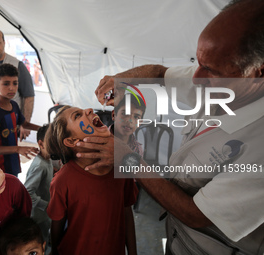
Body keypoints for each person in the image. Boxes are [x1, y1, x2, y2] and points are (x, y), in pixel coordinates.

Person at [78, 0, 264, 254]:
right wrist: (121, 80)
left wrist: (127, 158)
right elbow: (159, 72)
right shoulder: (224, 76)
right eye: (198, 62)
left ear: (258, 73)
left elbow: (196, 215)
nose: (195, 78)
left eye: (210, 70)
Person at [45, 106, 138, 255]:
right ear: (72, 140)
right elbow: (57, 222)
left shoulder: (120, 167)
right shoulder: (63, 181)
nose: (89, 110)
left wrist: (133, 252)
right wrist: (55, 251)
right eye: (77, 115)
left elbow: (126, 211)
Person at [0, 64, 40, 177]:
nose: (12, 88)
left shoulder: (13, 105)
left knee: (14, 184)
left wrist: (43, 129)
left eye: (15, 83)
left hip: (12, 160)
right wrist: (18, 149)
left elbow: (24, 123)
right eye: (6, 84)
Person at [24, 124, 53, 242]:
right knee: (40, 239)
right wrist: (46, 205)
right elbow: (28, 192)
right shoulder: (40, 166)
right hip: (38, 215)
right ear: (41, 144)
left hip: (45, 213)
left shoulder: (48, 158)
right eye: (51, 141)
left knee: (46, 235)